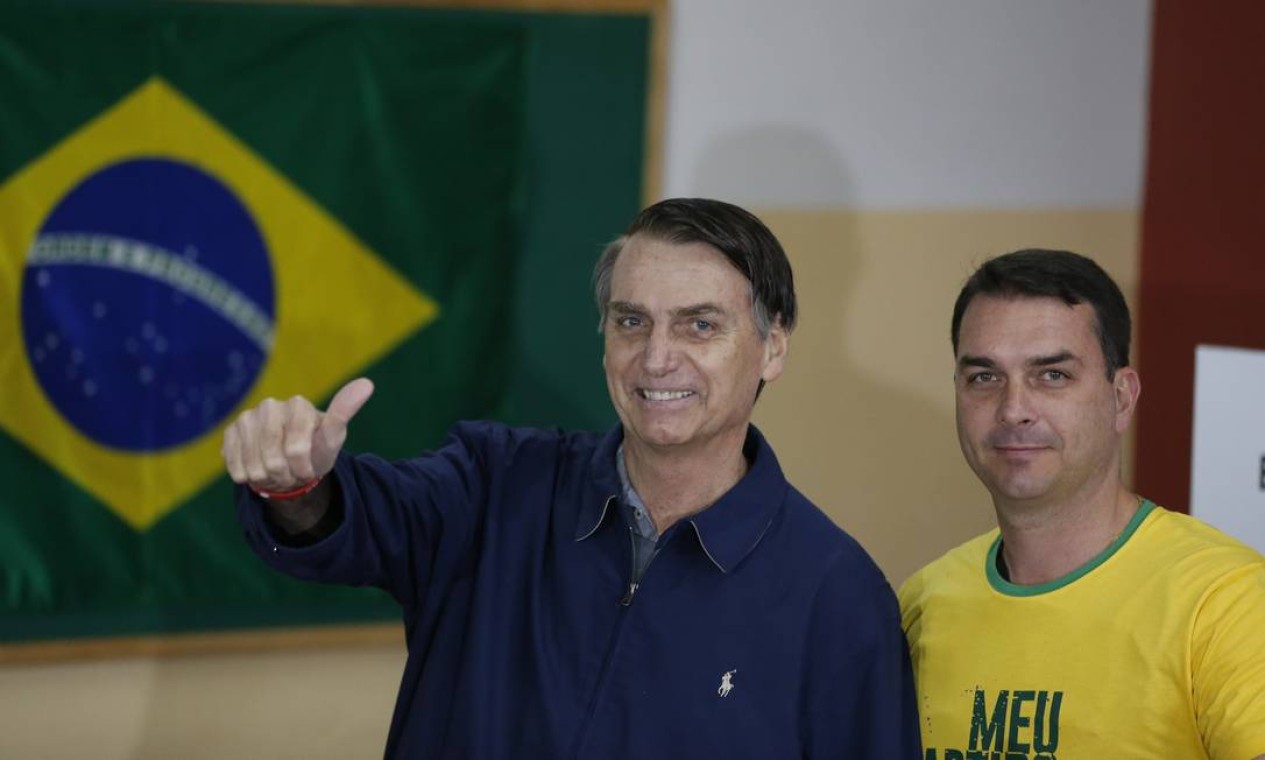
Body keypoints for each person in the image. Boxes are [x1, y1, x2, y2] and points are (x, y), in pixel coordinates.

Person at [224, 198, 921, 759]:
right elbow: (363, 520)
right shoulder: (494, 487)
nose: (655, 359)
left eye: (698, 326)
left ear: (771, 347)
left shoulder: (838, 595)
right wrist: (297, 485)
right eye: (630, 322)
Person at [899, 249, 1265, 759]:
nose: (1014, 409)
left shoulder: (1225, 601)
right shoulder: (924, 604)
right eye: (984, 376)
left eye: (1052, 375)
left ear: (1121, 397)